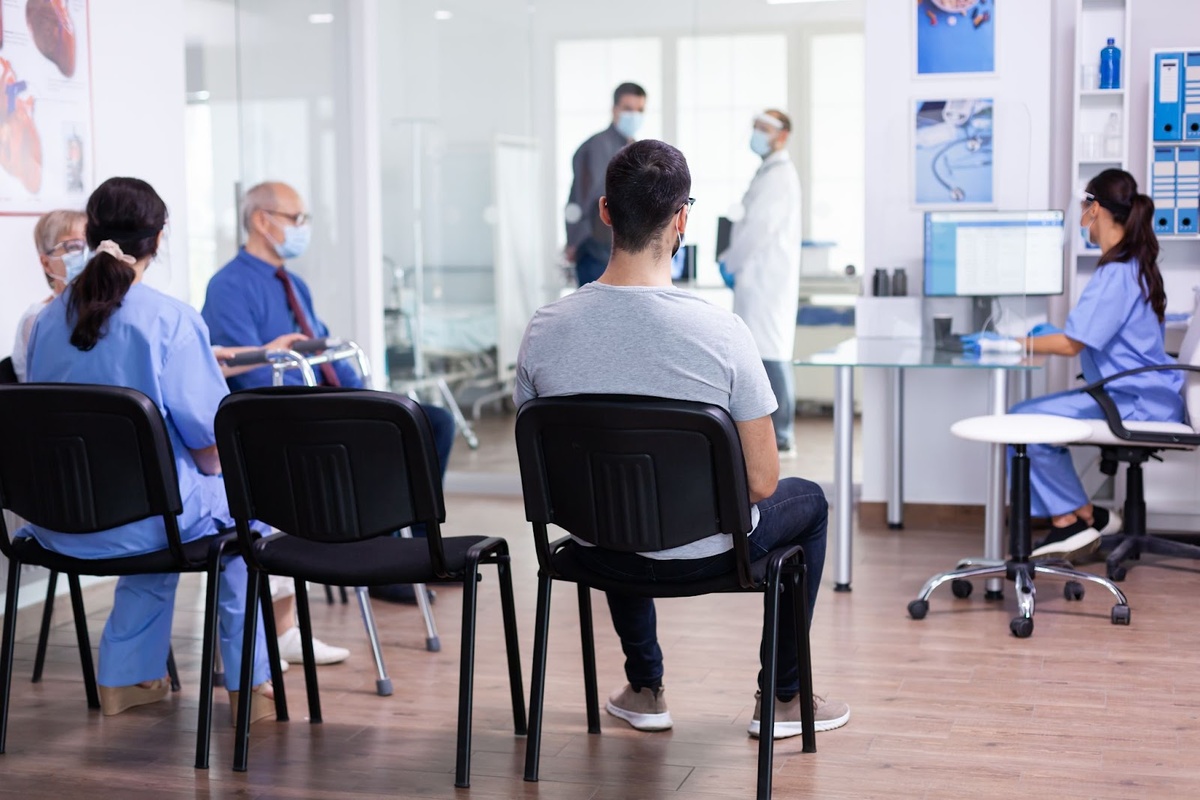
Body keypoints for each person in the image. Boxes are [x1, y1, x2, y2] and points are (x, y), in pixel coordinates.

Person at [515, 140, 849, 739]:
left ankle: (644, 688)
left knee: (612, 488)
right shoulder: (720, 333)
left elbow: (542, 469)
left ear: (605, 212)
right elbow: (763, 482)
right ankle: (781, 696)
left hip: (601, 550)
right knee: (812, 504)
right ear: (682, 220)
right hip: (714, 555)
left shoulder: (544, 331)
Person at [21, 177, 274, 721]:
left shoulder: (46, 320)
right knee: (241, 522)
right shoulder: (170, 320)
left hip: (56, 521)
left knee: (166, 505)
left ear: (90, 234)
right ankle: (248, 685)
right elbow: (210, 448)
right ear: (157, 239)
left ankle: (128, 677)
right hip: (143, 521)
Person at [202, 181, 451, 610]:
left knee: (431, 422)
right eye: (295, 219)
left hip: (328, 400)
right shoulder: (228, 287)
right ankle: (382, 560)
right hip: (288, 416)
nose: (302, 228)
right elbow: (246, 376)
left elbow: (322, 343)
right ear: (262, 221)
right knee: (377, 442)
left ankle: (420, 552)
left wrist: (363, 389)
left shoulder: (294, 284)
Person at [1013, 168, 1182, 561]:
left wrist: (1014, 341)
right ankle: (1086, 515)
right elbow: (1093, 335)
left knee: (1023, 422)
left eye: (1084, 208)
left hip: (1132, 400)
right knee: (1026, 415)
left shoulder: (1117, 273)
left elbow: (1074, 344)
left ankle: (1067, 522)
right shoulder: (1133, 264)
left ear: (1096, 210)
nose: (1082, 218)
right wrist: (1044, 337)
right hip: (1140, 393)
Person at [718, 110, 803, 454]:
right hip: (757, 279)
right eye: (755, 127)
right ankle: (777, 433)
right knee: (764, 350)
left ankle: (782, 435)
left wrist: (730, 262)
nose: (757, 134)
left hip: (766, 280)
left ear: (782, 136)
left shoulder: (780, 177)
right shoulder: (768, 173)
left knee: (771, 353)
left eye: (764, 130)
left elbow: (757, 231)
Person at [565, 82, 647, 286]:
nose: (634, 115)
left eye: (639, 110)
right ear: (614, 109)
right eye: (628, 109)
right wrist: (574, 241)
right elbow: (580, 199)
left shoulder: (634, 148)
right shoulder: (595, 147)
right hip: (596, 248)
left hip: (625, 249)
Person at [11, 209, 86, 381]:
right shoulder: (38, 318)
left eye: (89, 244)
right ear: (47, 263)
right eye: (74, 246)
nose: (85, 255)